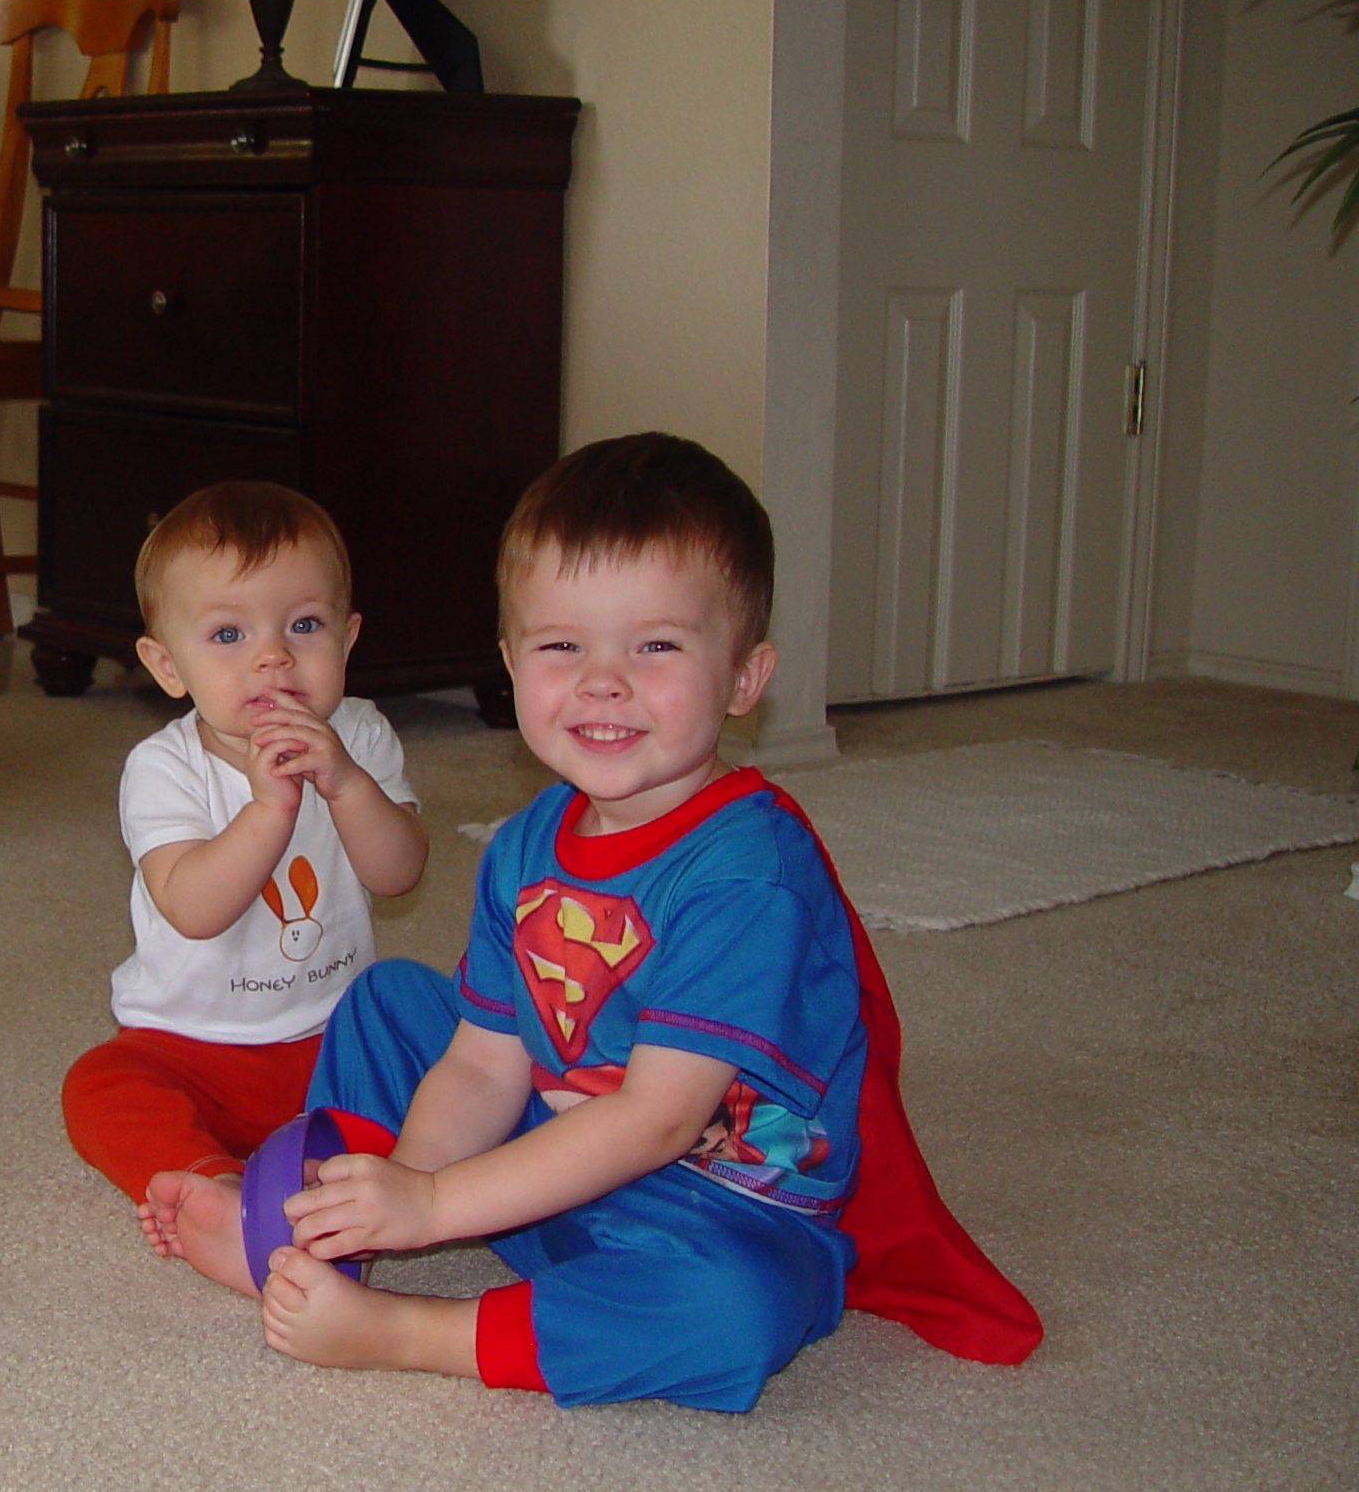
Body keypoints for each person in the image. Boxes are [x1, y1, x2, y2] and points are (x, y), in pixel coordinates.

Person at [173, 433, 1042, 1411]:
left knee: (738, 1312)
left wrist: (436, 1205)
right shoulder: (525, 843)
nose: (602, 681)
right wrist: (402, 1192)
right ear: (509, 663)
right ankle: (326, 1233)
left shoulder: (750, 873)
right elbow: (482, 1062)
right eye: (561, 646)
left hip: (710, 1204)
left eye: (656, 645)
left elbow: (659, 1117)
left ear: (746, 677)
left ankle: (415, 1330)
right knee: (386, 1002)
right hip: (543, 1147)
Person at [67, 482, 428, 1260]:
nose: (274, 655)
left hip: (338, 1037)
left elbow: (400, 872)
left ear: (349, 635)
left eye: (304, 625)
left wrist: (348, 786)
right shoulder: (164, 768)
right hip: (192, 1047)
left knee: (447, 1039)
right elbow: (192, 907)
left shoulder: (359, 735)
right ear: (168, 666)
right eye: (229, 635)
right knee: (100, 1089)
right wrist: (268, 811)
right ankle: (218, 1191)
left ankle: (350, 1187)